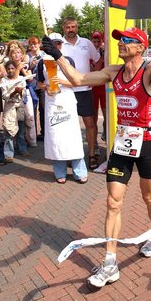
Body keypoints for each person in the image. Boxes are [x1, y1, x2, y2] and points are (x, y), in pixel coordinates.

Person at [42, 20, 151, 287]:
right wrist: (57, 55)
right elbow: (79, 79)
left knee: (149, 196)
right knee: (113, 202)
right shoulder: (113, 71)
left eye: (126, 40)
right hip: (122, 145)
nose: (120, 43)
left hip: (147, 144)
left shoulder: (149, 71)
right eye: (119, 40)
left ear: (140, 46)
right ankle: (110, 262)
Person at [37, 32, 88, 184]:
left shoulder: (69, 60)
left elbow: (76, 81)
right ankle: (59, 171)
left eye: (59, 43)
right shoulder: (42, 63)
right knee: (56, 137)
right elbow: (39, 83)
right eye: (53, 43)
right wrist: (46, 86)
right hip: (52, 101)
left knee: (72, 136)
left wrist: (62, 82)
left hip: (67, 98)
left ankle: (79, 171)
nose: (56, 46)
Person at [61, 17, 101, 170]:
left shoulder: (86, 43)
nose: (71, 30)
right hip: (67, 91)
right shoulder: (59, 45)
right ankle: (71, 155)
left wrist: (93, 76)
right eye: (68, 27)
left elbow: (97, 60)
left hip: (85, 90)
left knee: (90, 124)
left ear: (77, 27)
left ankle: (91, 154)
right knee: (68, 126)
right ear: (63, 28)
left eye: (73, 27)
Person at [1, 61, 30, 163]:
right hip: (10, 107)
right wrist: (14, 92)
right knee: (9, 130)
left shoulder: (21, 79)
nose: (10, 70)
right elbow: (4, 96)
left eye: (12, 68)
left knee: (21, 130)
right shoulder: (4, 80)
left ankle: (22, 148)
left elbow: (25, 93)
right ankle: (8, 154)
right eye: (8, 69)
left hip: (20, 106)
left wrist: (20, 91)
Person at [27, 36, 46, 140]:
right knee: (32, 109)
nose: (33, 46)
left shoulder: (44, 55)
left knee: (43, 108)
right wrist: (31, 65)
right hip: (32, 85)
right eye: (31, 44)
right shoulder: (27, 56)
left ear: (39, 44)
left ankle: (44, 132)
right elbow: (25, 70)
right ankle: (33, 134)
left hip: (42, 84)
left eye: (35, 44)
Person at [90, 31, 106, 150]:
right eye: (94, 41)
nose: (96, 44)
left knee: (107, 117)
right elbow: (94, 70)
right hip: (93, 88)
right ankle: (94, 144)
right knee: (93, 119)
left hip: (105, 89)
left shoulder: (106, 53)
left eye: (98, 41)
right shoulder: (89, 55)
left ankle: (106, 133)